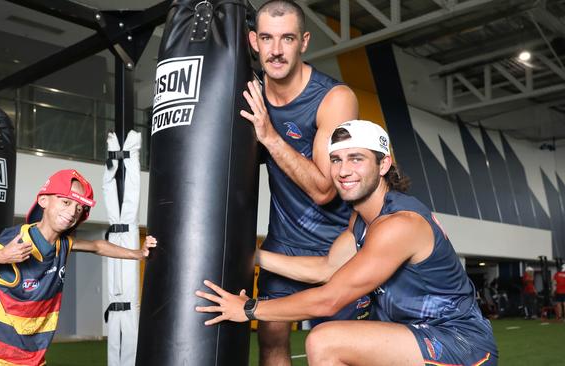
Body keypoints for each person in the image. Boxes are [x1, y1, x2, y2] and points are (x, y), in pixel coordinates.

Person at [196, 120, 498, 365]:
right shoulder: (361, 220)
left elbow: (330, 299)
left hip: (459, 344)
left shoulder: (399, 225)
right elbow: (325, 268)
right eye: (336, 160)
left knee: (324, 341)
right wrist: (254, 255)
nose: (343, 171)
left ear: (383, 165)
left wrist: (248, 309)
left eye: (357, 159)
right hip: (411, 335)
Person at [241, 1, 362, 364]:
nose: (276, 50)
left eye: (287, 38)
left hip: (336, 248)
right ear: (253, 41)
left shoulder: (334, 99)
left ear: (304, 41)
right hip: (285, 243)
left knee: (331, 347)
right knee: (271, 340)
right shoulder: (250, 94)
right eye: (267, 38)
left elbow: (325, 189)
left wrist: (270, 136)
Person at [0, 169, 156, 366]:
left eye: (78, 208)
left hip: (29, 355)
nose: (71, 212)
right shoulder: (18, 238)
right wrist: (0, 255)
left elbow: (97, 246)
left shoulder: (64, 244)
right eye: (66, 202)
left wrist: (139, 254)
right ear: (44, 201)